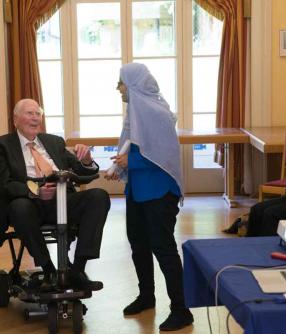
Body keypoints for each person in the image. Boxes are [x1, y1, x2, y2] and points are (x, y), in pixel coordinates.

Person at [105, 63, 193, 332]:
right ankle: (146, 296)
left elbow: (163, 157)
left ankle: (181, 309)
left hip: (158, 192)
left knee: (163, 248)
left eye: (120, 82)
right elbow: (138, 148)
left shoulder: (157, 112)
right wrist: (122, 164)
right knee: (139, 246)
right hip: (138, 191)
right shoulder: (135, 112)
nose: (117, 88)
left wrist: (129, 161)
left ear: (132, 84)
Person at [0, 98, 110, 291]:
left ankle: (77, 269)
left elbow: (83, 174)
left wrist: (87, 160)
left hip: (61, 199)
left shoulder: (54, 142)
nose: (35, 118)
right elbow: (4, 185)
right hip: (29, 203)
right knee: (19, 207)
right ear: (15, 119)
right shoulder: (0, 146)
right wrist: (35, 192)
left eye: (38, 114)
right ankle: (48, 269)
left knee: (99, 196)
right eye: (30, 113)